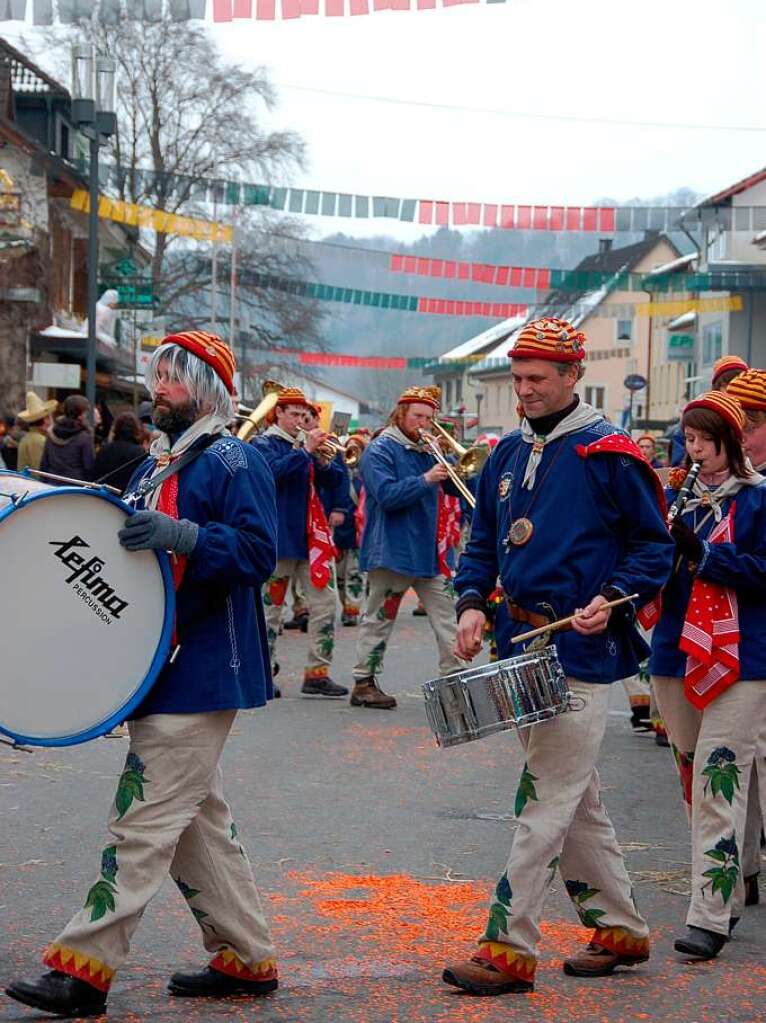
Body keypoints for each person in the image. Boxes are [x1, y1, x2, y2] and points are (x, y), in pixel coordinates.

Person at [6, 331, 281, 1018]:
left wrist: (181, 535)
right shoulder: (161, 463)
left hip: (207, 666)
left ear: (208, 389)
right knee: (194, 823)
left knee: (142, 819)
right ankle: (247, 958)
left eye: (172, 381)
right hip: (168, 666)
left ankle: (85, 967)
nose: (158, 390)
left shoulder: (232, 457)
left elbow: (257, 554)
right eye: (156, 378)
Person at [443, 317, 674, 997]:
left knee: (544, 795)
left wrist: (614, 597)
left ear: (573, 376)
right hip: (519, 645)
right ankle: (622, 927)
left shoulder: (610, 453)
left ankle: (508, 946)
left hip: (581, 645)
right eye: (516, 380)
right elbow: (482, 542)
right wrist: (470, 603)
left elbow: (653, 548)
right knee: (575, 797)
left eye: (536, 380)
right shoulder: (506, 455)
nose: (523, 392)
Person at [649, 389, 766, 960]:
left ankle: (709, 918)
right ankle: (740, 877)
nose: (693, 451)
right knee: (698, 779)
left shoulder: (760, 499)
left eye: (704, 441)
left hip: (746, 658)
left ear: (733, 442)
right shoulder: (681, 498)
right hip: (675, 651)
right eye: (689, 440)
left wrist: (706, 556)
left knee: (719, 778)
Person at [350, 385, 464, 710]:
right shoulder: (380, 449)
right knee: (379, 618)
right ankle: (363, 682)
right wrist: (426, 479)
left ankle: (454, 684)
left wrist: (455, 466)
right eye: (418, 416)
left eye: (429, 418)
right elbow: (386, 495)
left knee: (448, 617)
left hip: (430, 552)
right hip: (392, 550)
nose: (424, 424)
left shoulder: (427, 448)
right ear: (401, 413)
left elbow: (457, 491)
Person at [252, 387, 348, 698]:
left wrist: (323, 461)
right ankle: (263, 672)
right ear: (277, 413)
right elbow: (270, 474)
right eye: (294, 414)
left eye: (304, 416)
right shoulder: (262, 444)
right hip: (278, 541)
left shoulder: (303, 447)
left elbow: (334, 481)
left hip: (311, 541)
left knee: (324, 606)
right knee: (271, 611)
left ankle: (317, 672)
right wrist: (304, 452)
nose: (300, 420)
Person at [715, 369, 766, 908]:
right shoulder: (729, 485)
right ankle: (744, 870)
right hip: (739, 648)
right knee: (740, 766)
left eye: (750, 425)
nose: (741, 436)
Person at [41, 394, 95, 482]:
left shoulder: (51, 432)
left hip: (52, 484)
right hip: (75, 486)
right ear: (81, 414)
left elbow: (44, 463)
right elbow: (88, 467)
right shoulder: (84, 437)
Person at [92, 411, 148, 494]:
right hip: (125, 496)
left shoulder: (105, 449)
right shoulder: (139, 451)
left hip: (104, 495)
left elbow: (95, 472)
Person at [16, 392, 58, 472]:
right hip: (32, 483)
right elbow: (38, 470)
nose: (52, 421)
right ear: (46, 420)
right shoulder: (39, 440)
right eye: (50, 417)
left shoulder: (30, 437)